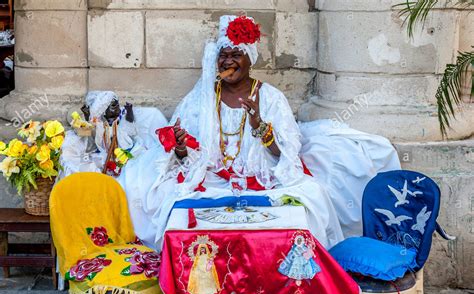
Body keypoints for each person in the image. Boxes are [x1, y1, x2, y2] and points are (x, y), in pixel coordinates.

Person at [119, 15, 400, 250]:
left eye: (236, 55)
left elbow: (286, 152)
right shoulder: (200, 98)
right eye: (224, 55)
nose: (228, 61)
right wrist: (181, 148)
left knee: (313, 198)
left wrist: (260, 127)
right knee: (166, 199)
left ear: (249, 59)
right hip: (213, 181)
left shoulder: (272, 97)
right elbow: (183, 152)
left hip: (263, 179)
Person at [60, 91, 167, 178]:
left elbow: (131, 129)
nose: (117, 110)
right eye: (112, 107)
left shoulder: (121, 119)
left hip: (125, 150)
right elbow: (91, 137)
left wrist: (129, 113)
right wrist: (88, 116)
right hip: (105, 153)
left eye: (117, 106)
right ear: (103, 111)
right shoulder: (100, 123)